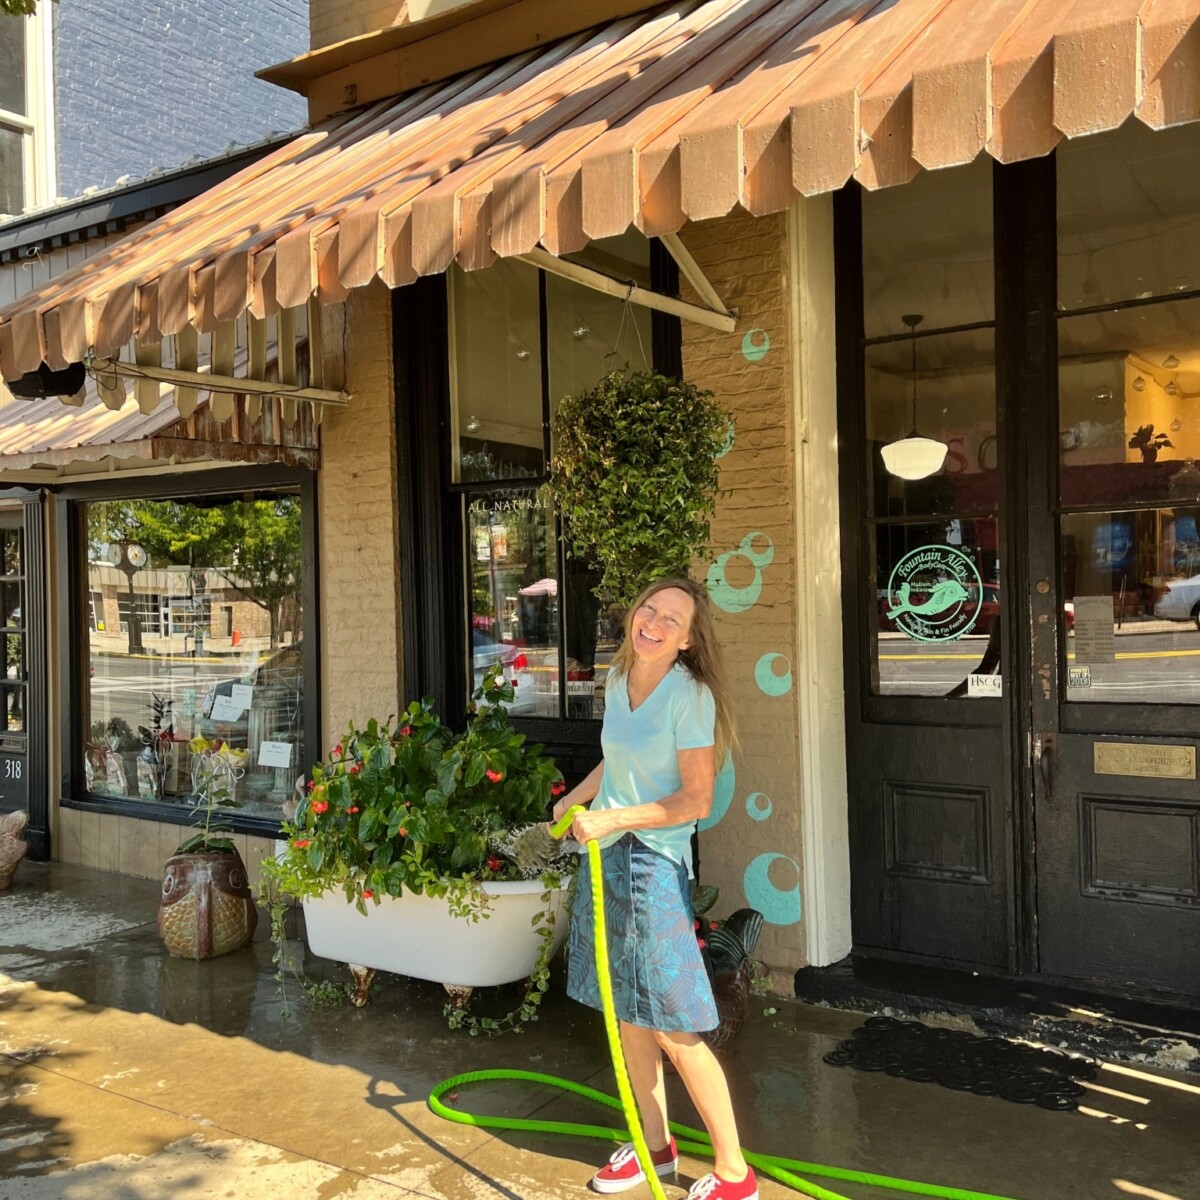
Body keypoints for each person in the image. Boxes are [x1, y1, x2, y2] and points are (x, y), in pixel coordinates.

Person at [551, 577, 756, 1200]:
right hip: (604, 860)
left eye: (673, 618)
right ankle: (654, 1149)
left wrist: (611, 818)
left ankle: (734, 1174)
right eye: (650, 608)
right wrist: (569, 804)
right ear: (635, 614)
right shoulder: (617, 681)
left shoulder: (689, 696)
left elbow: (694, 798)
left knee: (672, 1025)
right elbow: (618, 762)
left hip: (651, 867)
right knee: (628, 1019)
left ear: (689, 639)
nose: (656, 621)